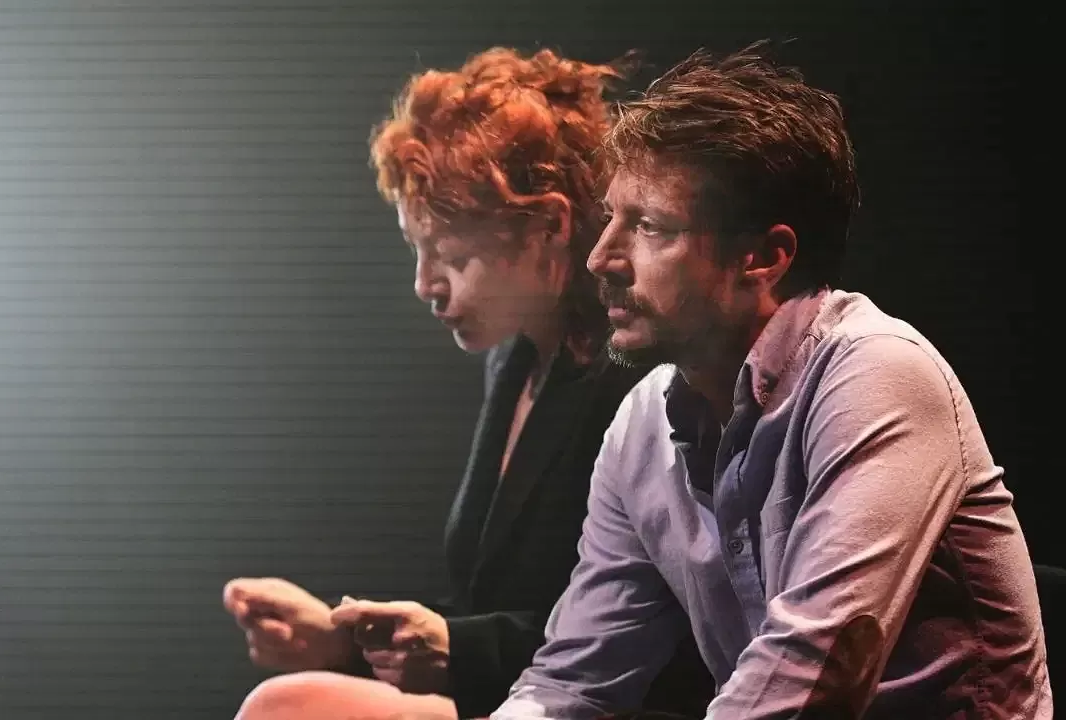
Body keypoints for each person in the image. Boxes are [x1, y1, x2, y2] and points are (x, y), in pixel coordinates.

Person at [489, 40, 1052, 719]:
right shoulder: (643, 422)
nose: (601, 258)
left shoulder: (877, 375)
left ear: (763, 256)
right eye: (611, 218)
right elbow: (572, 681)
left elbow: (808, 674)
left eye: (649, 226)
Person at [224, 47, 714, 720]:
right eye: (418, 250)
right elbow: (495, 611)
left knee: (286, 708)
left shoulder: (641, 382)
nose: (424, 284)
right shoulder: (516, 363)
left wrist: (458, 648)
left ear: (549, 227)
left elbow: (669, 637)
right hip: (528, 700)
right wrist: (342, 640)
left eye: (452, 255)